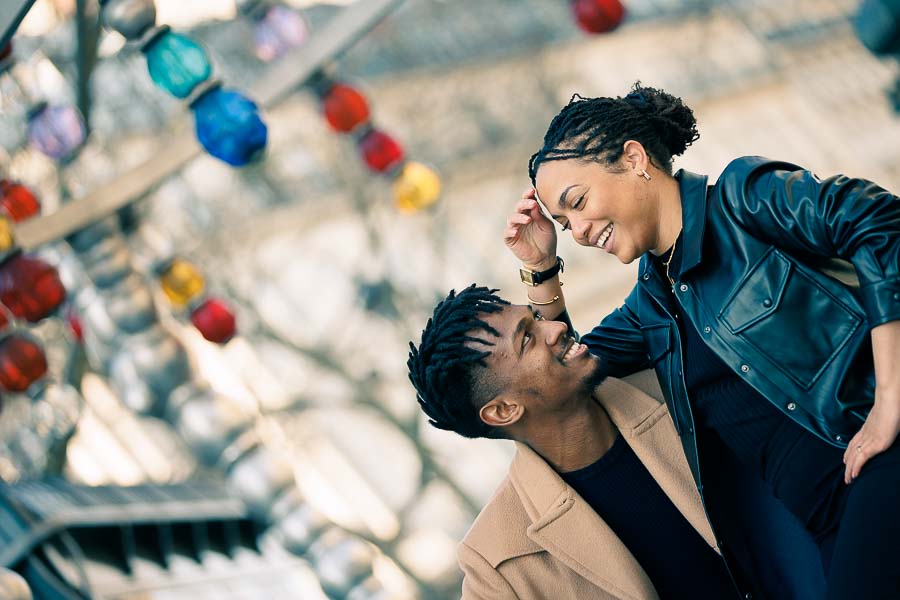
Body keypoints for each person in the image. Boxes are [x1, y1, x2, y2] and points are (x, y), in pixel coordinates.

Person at [503, 83, 900, 598]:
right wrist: (539, 268)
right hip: (826, 521)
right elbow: (568, 369)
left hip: (877, 457)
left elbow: (880, 225)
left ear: (634, 159)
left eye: (577, 203)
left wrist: (891, 399)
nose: (576, 231)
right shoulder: (652, 304)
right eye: (563, 222)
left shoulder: (742, 199)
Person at [407, 285, 819, 599]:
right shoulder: (498, 562)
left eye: (538, 317)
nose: (557, 327)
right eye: (528, 339)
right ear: (503, 411)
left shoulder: (682, 388)